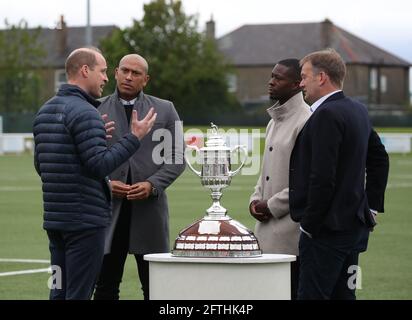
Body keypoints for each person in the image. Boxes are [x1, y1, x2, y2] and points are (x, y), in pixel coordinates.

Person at [33, 47, 157, 300]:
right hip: (84, 224)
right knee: (79, 293)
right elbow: (100, 165)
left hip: (55, 223)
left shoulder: (45, 110)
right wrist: (134, 138)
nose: (105, 78)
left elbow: (42, 165)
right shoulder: (87, 112)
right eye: (102, 71)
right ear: (85, 70)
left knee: (58, 290)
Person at [289, 48, 389, 300]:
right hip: (353, 229)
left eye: (304, 76)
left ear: (321, 77)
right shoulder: (357, 110)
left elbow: (323, 177)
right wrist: (371, 207)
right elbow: (380, 159)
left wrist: (310, 225)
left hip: (325, 232)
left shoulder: (326, 114)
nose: (301, 83)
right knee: (344, 297)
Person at [93, 54, 185, 300]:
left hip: (149, 213)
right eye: (124, 71)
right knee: (104, 286)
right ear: (115, 73)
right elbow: (86, 159)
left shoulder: (165, 109)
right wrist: (106, 185)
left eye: (136, 73)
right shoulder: (94, 108)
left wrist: (152, 184)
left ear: (146, 79)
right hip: (106, 212)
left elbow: (177, 158)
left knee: (155, 288)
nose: (128, 77)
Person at [249, 59, 311, 300]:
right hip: (265, 230)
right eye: (271, 76)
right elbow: (265, 173)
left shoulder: (306, 121)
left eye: (278, 78)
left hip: (290, 234)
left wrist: (271, 206)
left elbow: (305, 181)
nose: (271, 82)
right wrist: (255, 199)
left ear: (297, 84)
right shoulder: (272, 121)